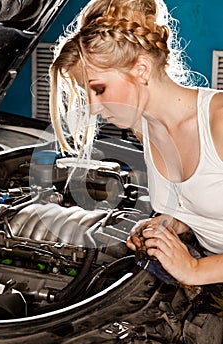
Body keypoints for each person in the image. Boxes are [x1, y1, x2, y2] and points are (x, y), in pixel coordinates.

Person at [49, 0, 223, 291]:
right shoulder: (144, 127)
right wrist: (173, 225)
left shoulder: (219, 122)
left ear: (141, 69)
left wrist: (195, 269)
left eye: (99, 89)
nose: (92, 108)